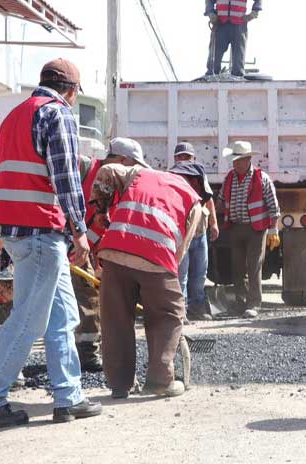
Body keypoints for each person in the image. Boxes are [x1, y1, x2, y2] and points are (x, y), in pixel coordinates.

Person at [0, 58, 102, 427]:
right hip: (41, 230)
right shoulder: (57, 114)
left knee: (63, 316)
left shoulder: (15, 116)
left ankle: (68, 396)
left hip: (16, 231)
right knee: (29, 319)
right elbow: (65, 178)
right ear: (70, 91)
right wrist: (79, 230)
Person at [89, 138, 202, 399]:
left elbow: (106, 172)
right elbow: (181, 248)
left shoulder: (139, 173)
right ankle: (160, 380)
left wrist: (100, 212)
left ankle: (119, 385)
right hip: (156, 256)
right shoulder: (194, 201)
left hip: (115, 250)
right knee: (169, 313)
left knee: (115, 319)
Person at [70, 138, 147, 372]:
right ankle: (87, 355)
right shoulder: (83, 169)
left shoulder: (116, 185)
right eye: (132, 165)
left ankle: (82, 351)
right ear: (122, 160)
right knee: (86, 299)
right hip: (66, 245)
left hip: (86, 250)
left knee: (88, 296)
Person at [218, 140, 280, 318]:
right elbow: (221, 200)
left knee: (253, 266)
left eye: (238, 160)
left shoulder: (262, 178)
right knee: (237, 267)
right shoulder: (229, 178)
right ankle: (240, 303)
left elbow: (273, 207)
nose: (235, 163)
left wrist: (273, 230)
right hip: (235, 227)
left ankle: (254, 304)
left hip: (256, 230)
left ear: (247, 160)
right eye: (234, 160)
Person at [169, 142, 219, 321]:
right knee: (181, 275)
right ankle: (181, 312)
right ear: (175, 158)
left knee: (199, 274)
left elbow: (209, 199)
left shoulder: (199, 175)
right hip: (181, 235)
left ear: (194, 159)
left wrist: (214, 224)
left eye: (187, 157)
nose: (184, 160)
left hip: (199, 232)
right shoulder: (171, 177)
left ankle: (197, 308)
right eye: (181, 157)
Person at [205, 0, 262, 77]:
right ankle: (211, 75)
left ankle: (237, 77)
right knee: (215, 54)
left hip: (239, 24)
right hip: (220, 23)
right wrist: (211, 13)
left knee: (238, 56)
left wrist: (254, 12)